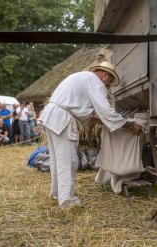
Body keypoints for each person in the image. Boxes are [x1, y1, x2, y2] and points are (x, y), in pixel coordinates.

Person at [38, 61, 141, 208]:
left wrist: (97, 120)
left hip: (52, 116)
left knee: (57, 160)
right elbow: (106, 110)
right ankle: (67, 201)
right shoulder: (95, 82)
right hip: (62, 119)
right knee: (68, 161)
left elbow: (77, 106)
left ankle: (56, 193)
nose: (107, 87)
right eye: (109, 84)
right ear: (105, 76)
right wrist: (129, 125)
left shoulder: (82, 77)